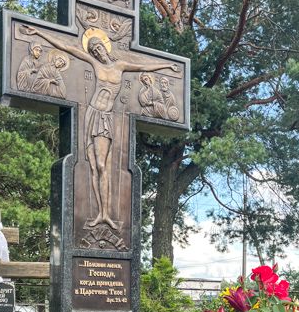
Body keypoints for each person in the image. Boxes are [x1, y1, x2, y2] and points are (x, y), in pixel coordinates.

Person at [21, 24, 181, 229]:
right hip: (92, 114)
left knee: (102, 165)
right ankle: (99, 214)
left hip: (105, 118)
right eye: (94, 50)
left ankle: (106, 214)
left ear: (105, 48)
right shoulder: (94, 64)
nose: (97, 52)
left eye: (99, 48)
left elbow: (144, 66)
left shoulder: (120, 66)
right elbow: (68, 48)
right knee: (93, 166)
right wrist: (39, 32)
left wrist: (167, 66)